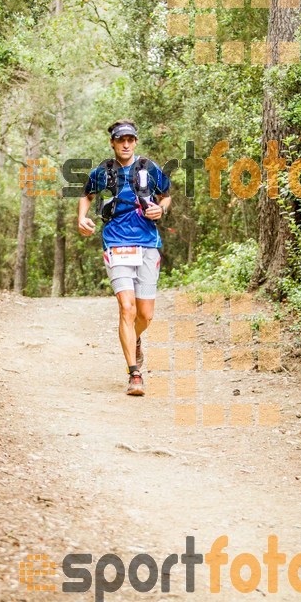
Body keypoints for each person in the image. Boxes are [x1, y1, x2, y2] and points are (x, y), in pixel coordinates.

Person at [77, 119, 171, 396]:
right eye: (121, 140)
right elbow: (86, 195)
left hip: (148, 243)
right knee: (127, 308)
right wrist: (82, 218)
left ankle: (135, 338)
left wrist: (160, 210)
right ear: (113, 143)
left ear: (136, 142)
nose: (126, 144)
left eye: (130, 139)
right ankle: (135, 374)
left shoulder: (149, 168)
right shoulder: (103, 171)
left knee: (145, 314)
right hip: (116, 242)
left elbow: (166, 196)